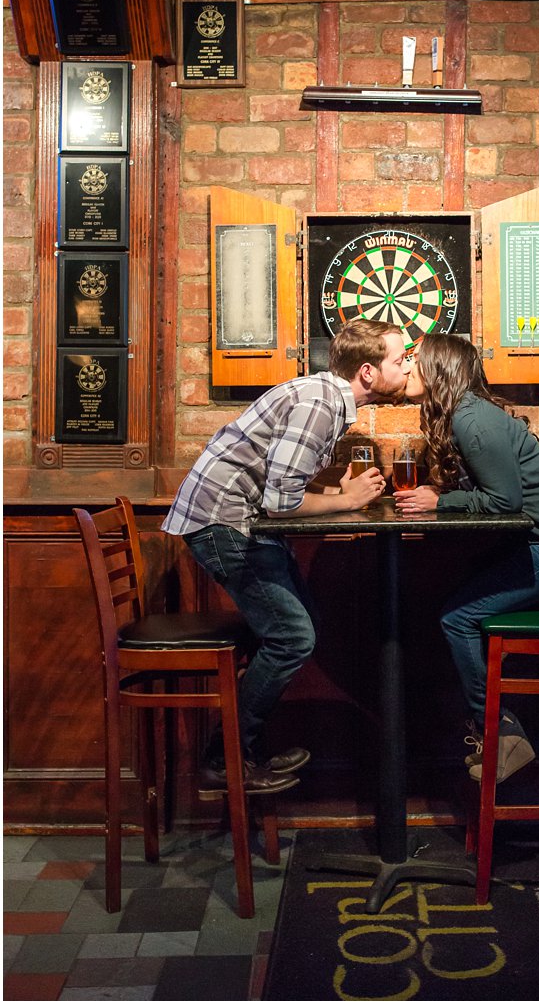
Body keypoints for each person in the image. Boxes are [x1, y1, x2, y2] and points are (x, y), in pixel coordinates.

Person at [162, 319, 406, 796]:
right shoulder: (319, 405)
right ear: (369, 373)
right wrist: (347, 500)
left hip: (236, 520)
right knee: (293, 636)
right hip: (223, 523)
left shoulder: (326, 400)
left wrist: (334, 489)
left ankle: (241, 751)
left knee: (297, 627)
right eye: (399, 360)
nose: (407, 366)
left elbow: (284, 478)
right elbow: (280, 501)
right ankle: (224, 760)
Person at [393, 332, 539, 785]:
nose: (408, 368)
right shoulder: (468, 415)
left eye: (415, 361)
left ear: (438, 369)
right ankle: (493, 733)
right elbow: (497, 493)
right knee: (460, 604)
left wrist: (440, 503)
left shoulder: (473, 420)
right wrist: (444, 496)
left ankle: (500, 733)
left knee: (458, 618)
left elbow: (504, 501)